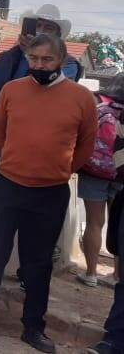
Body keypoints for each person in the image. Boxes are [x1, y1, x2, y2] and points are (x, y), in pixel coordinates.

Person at [0, 34, 97, 352]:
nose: (38, 65)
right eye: (33, 59)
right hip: (7, 187)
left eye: (46, 60)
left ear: (62, 60)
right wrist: (16, 161)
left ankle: (33, 328)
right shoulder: (12, 90)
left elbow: (86, 146)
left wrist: (57, 170)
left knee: (38, 265)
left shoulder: (80, 99)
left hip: (49, 194)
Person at [0, 3, 83, 281]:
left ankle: (28, 275)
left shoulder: (69, 65)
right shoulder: (8, 58)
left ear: (59, 35)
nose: (42, 31)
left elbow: (47, 92)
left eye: (49, 28)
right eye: (38, 26)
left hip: (42, 162)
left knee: (36, 227)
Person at [77, 77, 124, 287]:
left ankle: (90, 273)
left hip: (93, 171)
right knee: (119, 225)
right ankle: (117, 275)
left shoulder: (99, 108)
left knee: (94, 223)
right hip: (121, 174)